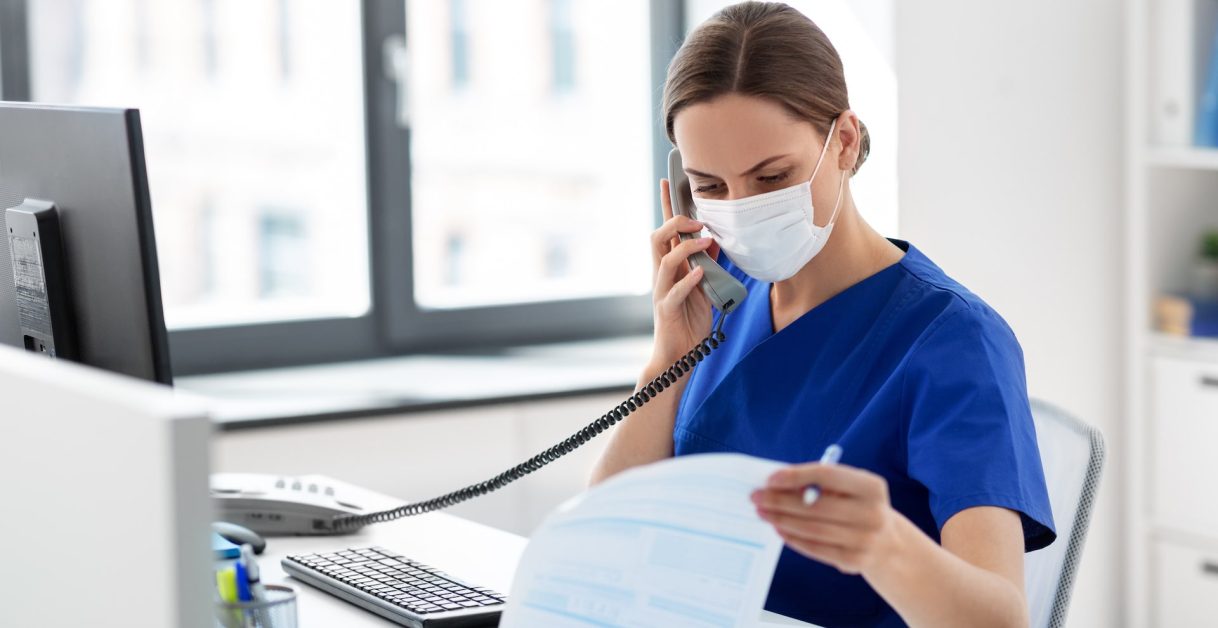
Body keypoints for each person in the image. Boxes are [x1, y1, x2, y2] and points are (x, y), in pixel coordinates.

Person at [589, 3, 1054, 626]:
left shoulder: (953, 340)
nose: (742, 209)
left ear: (844, 141)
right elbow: (602, 542)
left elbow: (1000, 618)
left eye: (771, 176)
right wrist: (667, 360)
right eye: (711, 186)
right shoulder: (718, 304)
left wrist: (881, 544)